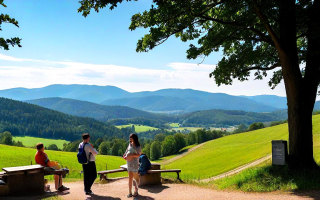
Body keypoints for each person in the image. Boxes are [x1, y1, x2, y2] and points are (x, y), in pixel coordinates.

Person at [123, 133, 141, 198]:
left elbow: (138, 154)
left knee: (136, 178)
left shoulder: (138, 146)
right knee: (130, 178)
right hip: (129, 163)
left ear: (134, 138)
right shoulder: (129, 144)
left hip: (135, 163)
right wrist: (125, 155)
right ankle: (130, 192)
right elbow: (127, 150)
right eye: (129, 138)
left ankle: (136, 190)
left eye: (131, 137)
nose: (130, 139)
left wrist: (131, 155)